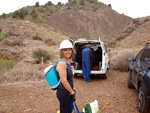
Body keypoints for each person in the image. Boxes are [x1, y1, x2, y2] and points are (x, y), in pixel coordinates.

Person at [56, 40, 76, 113]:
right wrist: (72, 92)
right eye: (65, 50)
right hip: (64, 92)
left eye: (70, 50)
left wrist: (72, 89)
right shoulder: (62, 63)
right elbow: (64, 81)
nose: (68, 52)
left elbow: (69, 78)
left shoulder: (67, 62)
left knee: (68, 110)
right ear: (62, 52)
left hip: (67, 91)